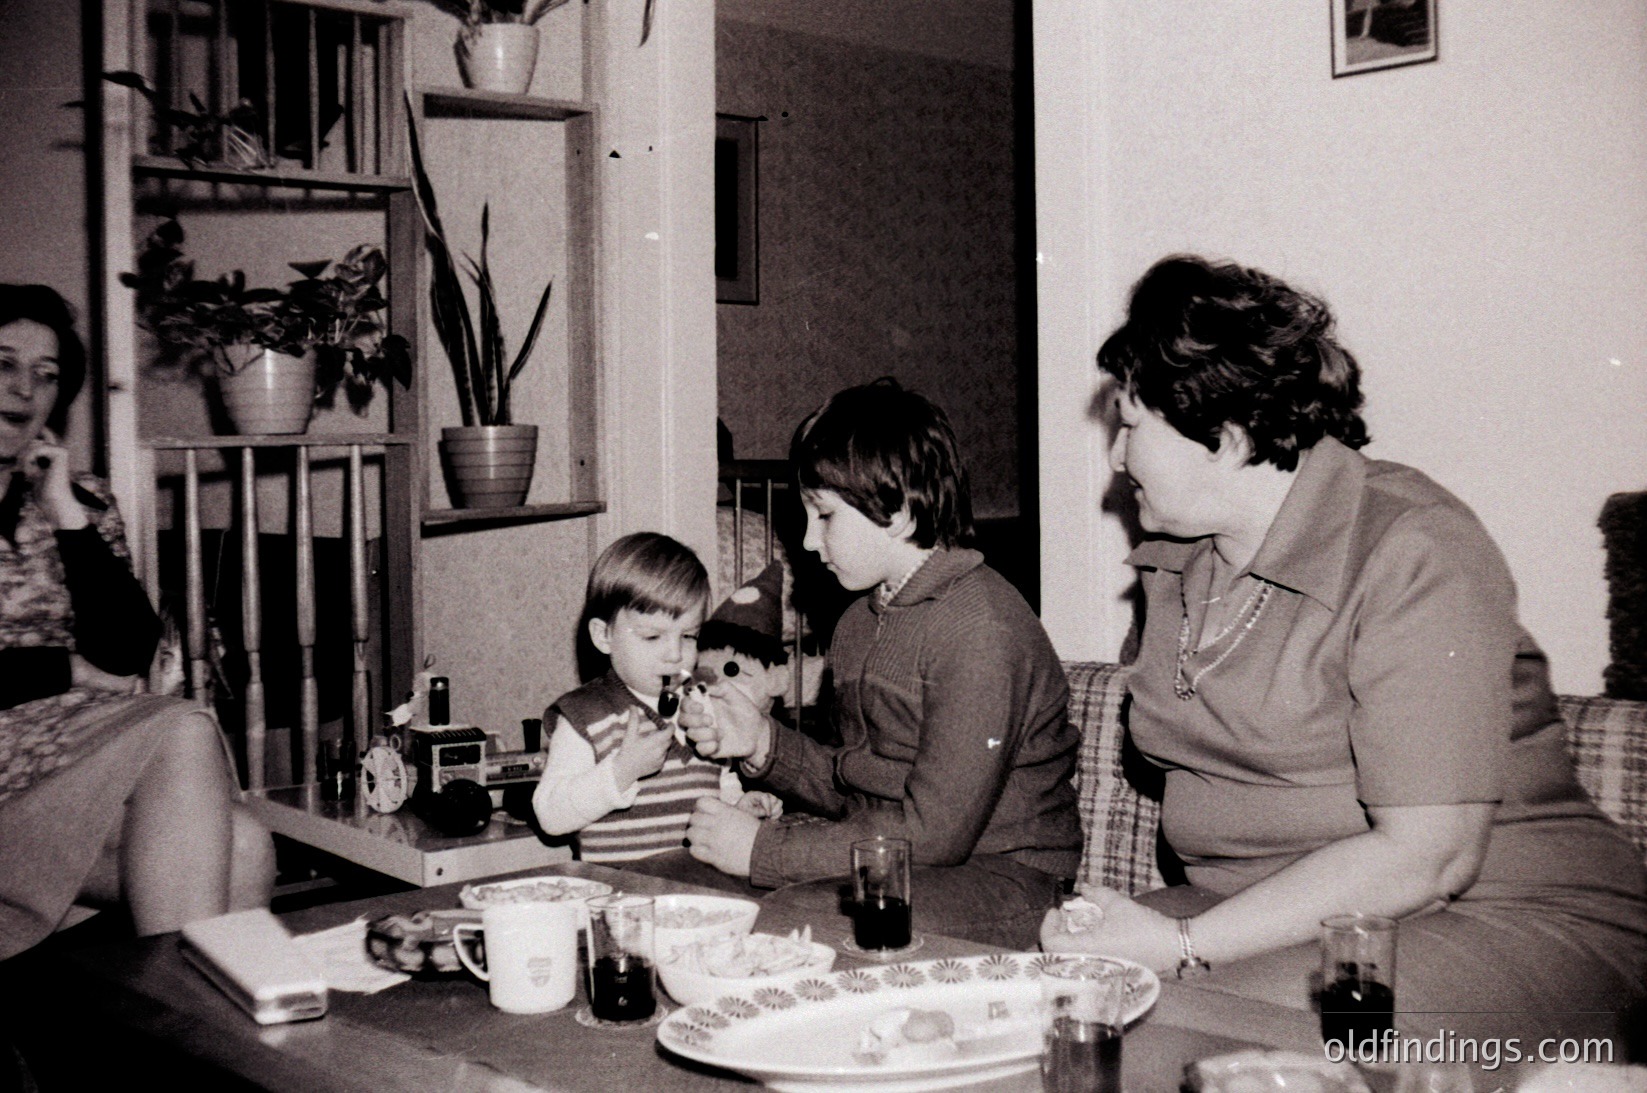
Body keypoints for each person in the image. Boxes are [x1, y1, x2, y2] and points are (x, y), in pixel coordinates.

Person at [1040, 255, 1647, 1043]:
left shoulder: (1412, 544)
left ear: (1222, 439)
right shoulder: (1175, 563)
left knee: (1167, 1031)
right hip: (1269, 915)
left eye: (1129, 426)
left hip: (1506, 913)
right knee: (1040, 995)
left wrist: (1179, 945)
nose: (1117, 460)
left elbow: (1429, 856)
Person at [675, 379, 1083, 949]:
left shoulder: (982, 631)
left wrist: (763, 850)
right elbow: (857, 791)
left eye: (824, 517)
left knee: (794, 920)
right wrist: (763, 743)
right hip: (904, 861)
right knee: (685, 891)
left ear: (895, 511)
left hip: (1008, 879)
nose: (809, 543)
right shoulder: (858, 623)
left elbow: (935, 834)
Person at [0, 284, 259, 958]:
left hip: (63, 764)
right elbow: (101, 672)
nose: (24, 390)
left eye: (46, 375)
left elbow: (124, 653)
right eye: (2, 363)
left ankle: (197, 1051)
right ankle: (198, 1042)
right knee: (179, 726)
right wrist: (64, 668)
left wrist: (64, 512)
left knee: (248, 842)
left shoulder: (79, 500)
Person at [533, 532, 761, 863]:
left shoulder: (702, 706)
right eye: (652, 636)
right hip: (621, 900)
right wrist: (621, 771)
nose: (674, 654)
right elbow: (551, 816)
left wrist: (740, 809)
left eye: (688, 636)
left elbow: (719, 785)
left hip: (698, 897)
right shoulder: (586, 716)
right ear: (604, 635)